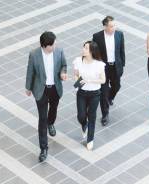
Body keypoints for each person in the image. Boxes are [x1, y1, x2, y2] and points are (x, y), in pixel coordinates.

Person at [25, 31, 68, 162]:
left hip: (55, 88)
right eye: (52, 45)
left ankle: (51, 123)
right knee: (42, 119)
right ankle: (43, 148)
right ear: (45, 46)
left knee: (53, 109)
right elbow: (30, 71)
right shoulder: (34, 54)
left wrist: (63, 73)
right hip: (41, 90)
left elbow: (64, 65)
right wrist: (28, 87)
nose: (55, 46)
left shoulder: (59, 51)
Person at [92, 16, 125, 126]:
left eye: (114, 25)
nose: (113, 28)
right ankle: (105, 114)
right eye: (111, 26)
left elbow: (121, 51)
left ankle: (110, 97)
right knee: (103, 93)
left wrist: (122, 65)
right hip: (103, 68)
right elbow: (95, 53)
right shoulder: (97, 36)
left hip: (116, 67)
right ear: (105, 26)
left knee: (117, 86)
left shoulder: (119, 34)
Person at [73, 41, 106, 151]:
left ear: (92, 51)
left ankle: (90, 139)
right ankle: (84, 125)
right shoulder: (78, 61)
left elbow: (103, 80)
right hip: (82, 93)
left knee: (92, 116)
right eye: (83, 47)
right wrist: (77, 83)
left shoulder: (99, 64)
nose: (83, 49)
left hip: (94, 94)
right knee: (81, 116)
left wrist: (90, 80)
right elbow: (76, 75)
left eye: (86, 48)